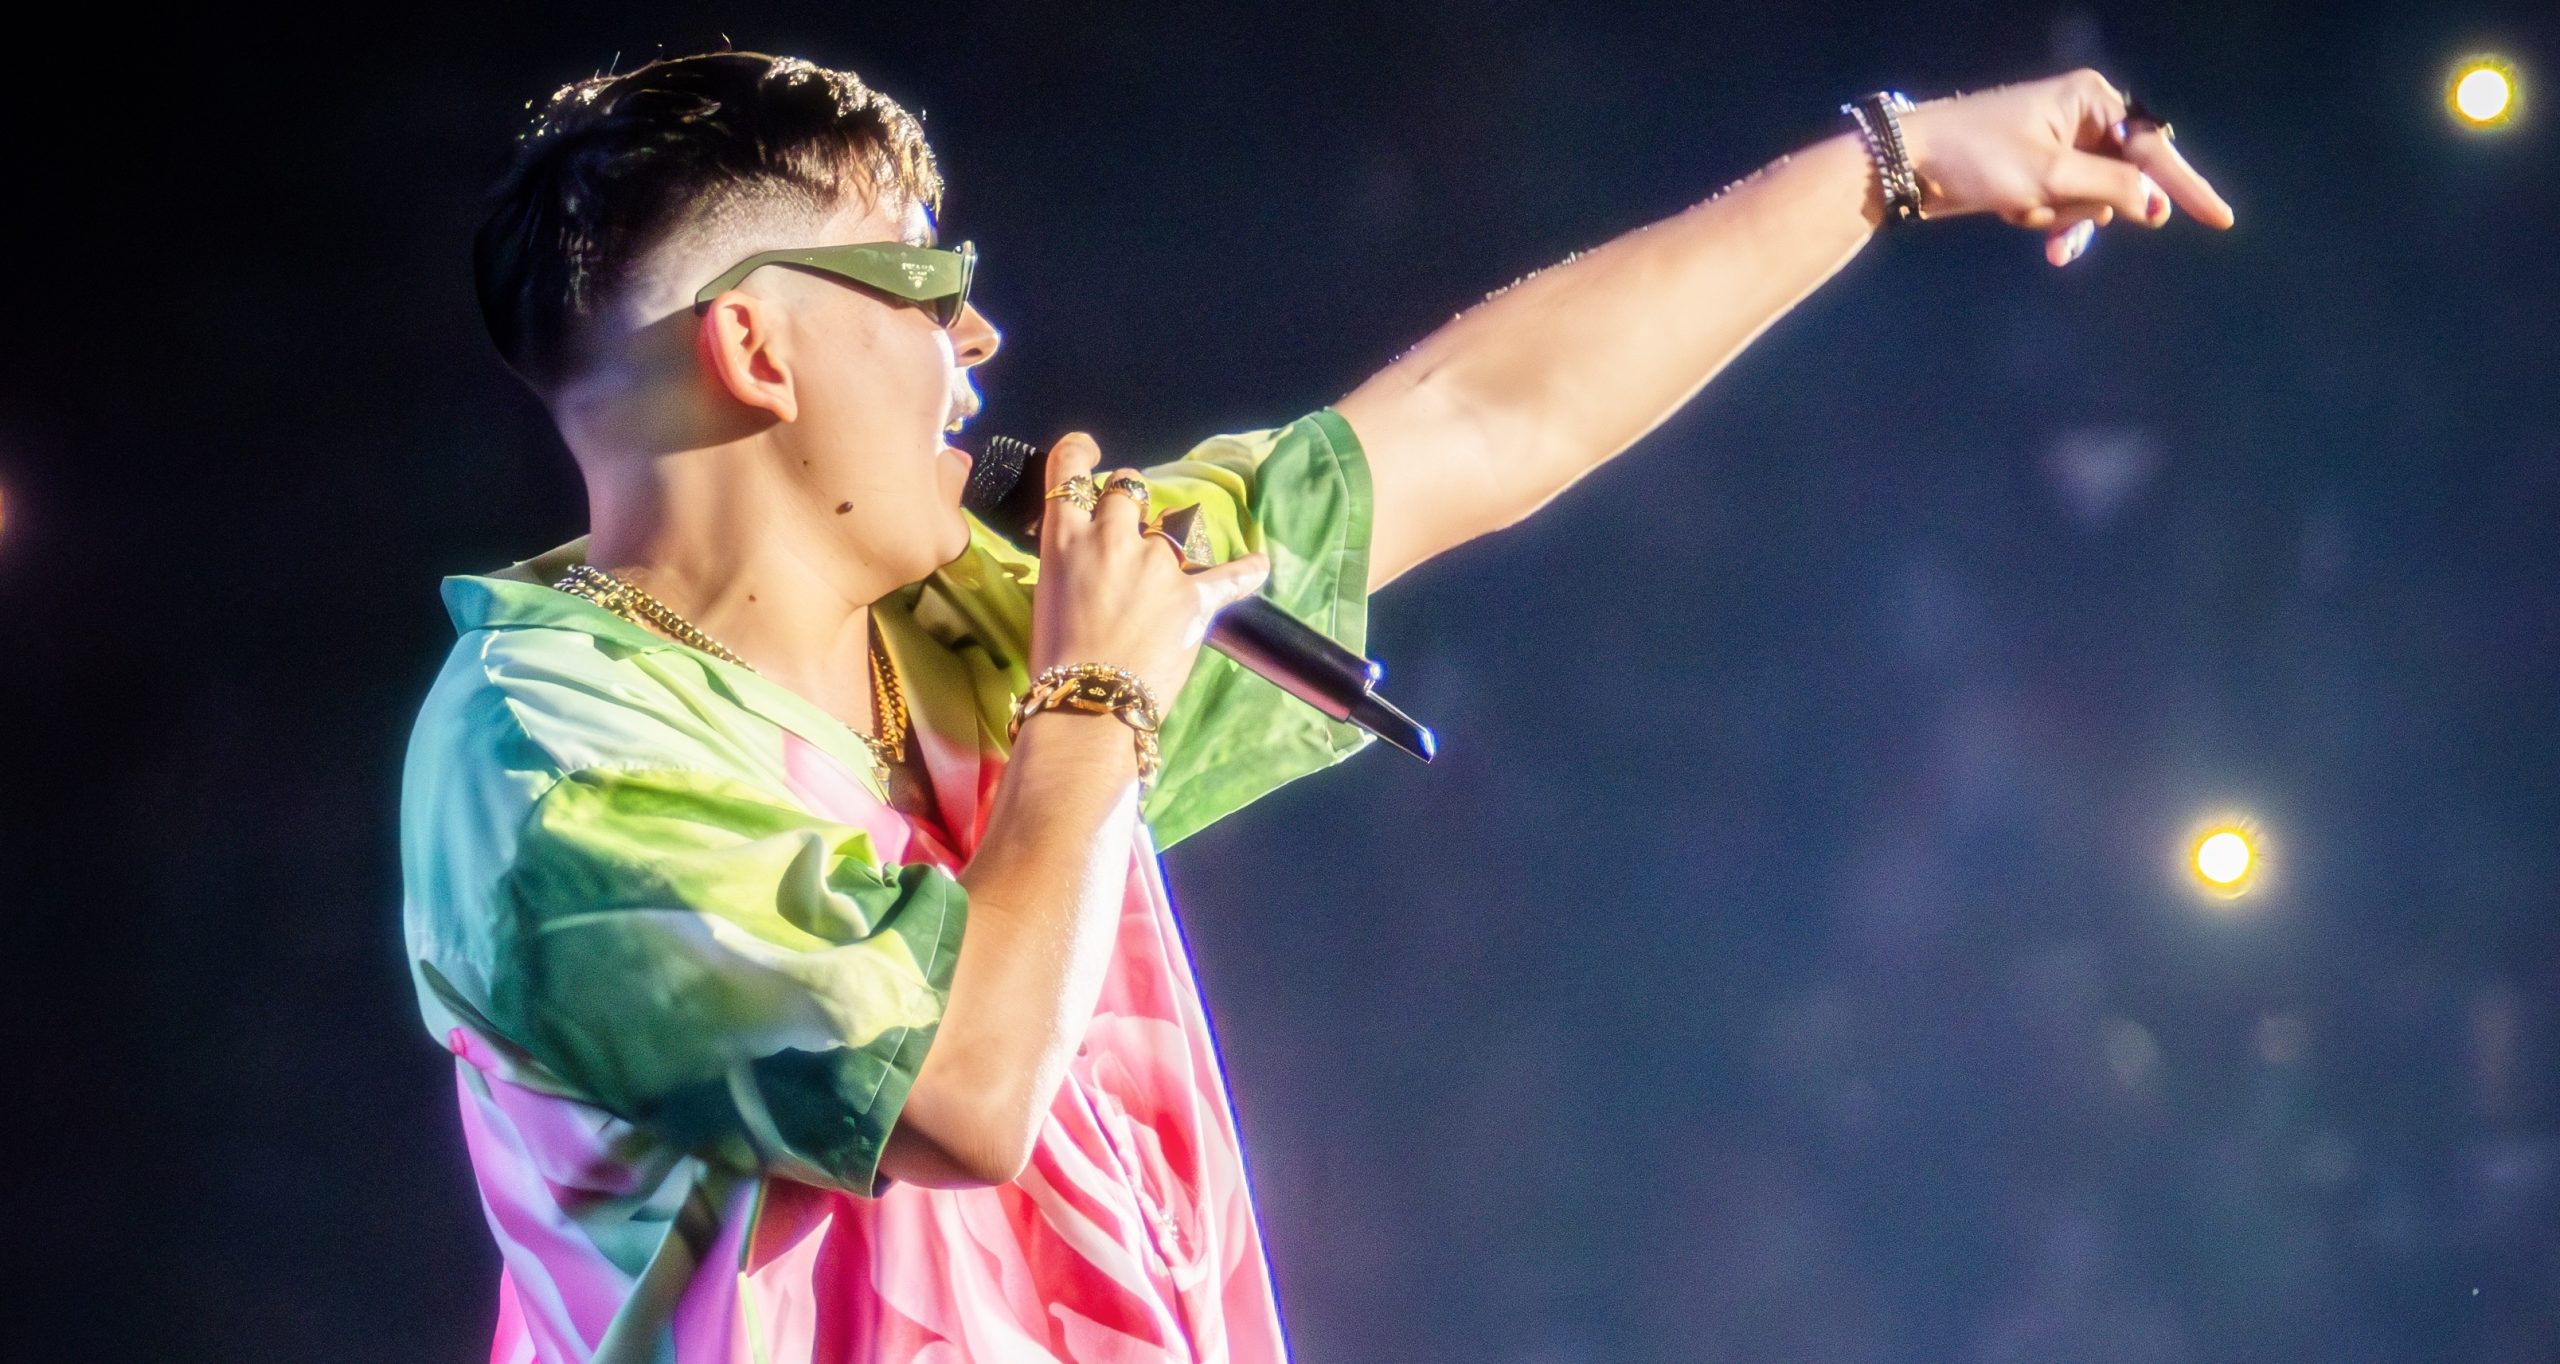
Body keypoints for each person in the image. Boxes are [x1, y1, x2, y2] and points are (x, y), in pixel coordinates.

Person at [402, 50, 2232, 1364]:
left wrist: (1891, 162)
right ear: (754, 344)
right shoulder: (547, 760)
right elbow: (957, 1092)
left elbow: (1470, 425)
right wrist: (1097, 700)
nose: (976, 342)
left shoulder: (977, 620)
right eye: (926, 281)